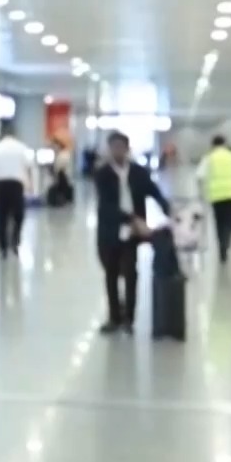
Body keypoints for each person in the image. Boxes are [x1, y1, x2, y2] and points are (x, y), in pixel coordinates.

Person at [92, 131, 171, 335]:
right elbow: (106, 206)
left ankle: (129, 318)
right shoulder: (102, 174)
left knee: (131, 273)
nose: (117, 151)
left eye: (121, 147)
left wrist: (168, 210)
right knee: (110, 274)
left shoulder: (138, 172)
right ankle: (114, 317)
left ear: (127, 149)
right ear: (109, 150)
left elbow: (153, 191)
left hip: (132, 234)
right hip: (110, 231)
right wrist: (132, 219)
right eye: (113, 148)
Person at [0, 123, 33, 259]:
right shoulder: (21, 147)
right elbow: (28, 167)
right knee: (18, 216)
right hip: (16, 185)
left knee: (1, 217)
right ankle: (15, 242)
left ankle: (3, 247)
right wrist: (30, 185)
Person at [195, 135, 231, 263]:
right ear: (225, 144)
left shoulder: (209, 158)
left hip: (216, 196)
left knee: (219, 223)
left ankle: (222, 247)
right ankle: (226, 243)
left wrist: (201, 193)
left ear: (213, 145)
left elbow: (199, 175)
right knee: (230, 222)